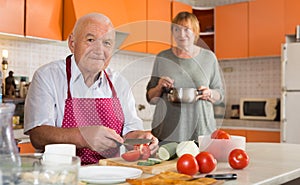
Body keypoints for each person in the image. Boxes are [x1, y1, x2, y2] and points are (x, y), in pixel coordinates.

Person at [24, 13, 159, 165]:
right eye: (90, 40)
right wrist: (81, 136)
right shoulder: (47, 76)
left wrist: (142, 139)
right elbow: (38, 136)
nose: (99, 50)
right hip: (62, 174)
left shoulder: (119, 83)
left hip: (110, 174)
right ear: (72, 43)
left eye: (107, 43)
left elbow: (129, 132)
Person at [146, 12, 225, 142]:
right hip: (167, 130)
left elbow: (220, 94)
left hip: (201, 129)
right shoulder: (163, 57)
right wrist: (159, 86)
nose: (181, 34)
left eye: (186, 29)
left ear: (195, 31)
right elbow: (151, 99)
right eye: (176, 29)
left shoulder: (209, 58)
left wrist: (209, 93)